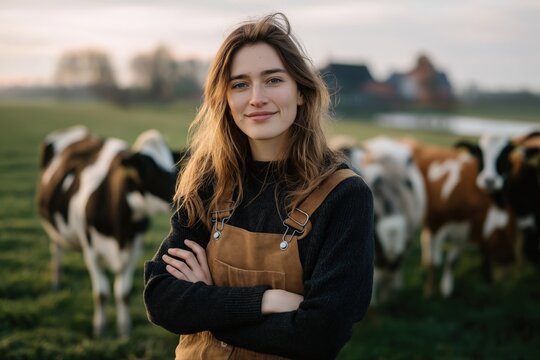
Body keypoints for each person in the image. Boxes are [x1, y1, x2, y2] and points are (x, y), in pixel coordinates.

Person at [143, 12, 374, 360]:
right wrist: (265, 301)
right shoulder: (208, 180)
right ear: (225, 98)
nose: (256, 98)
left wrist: (206, 302)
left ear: (300, 91)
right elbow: (161, 298)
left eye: (273, 80)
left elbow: (319, 334)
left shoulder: (343, 196)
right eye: (240, 84)